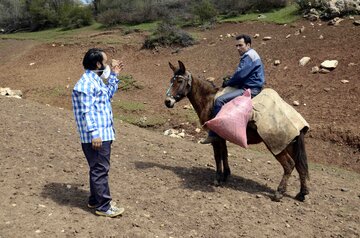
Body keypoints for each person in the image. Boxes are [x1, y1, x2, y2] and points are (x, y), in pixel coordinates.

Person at [72, 48, 124, 217]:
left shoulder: (95, 81)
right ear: (98, 64)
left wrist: (114, 75)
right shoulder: (86, 84)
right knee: (100, 169)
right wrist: (95, 133)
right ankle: (104, 207)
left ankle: (95, 199)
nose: (107, 65)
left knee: (96, 168)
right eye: (106, 62)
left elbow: (106, 97)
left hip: (103, 133)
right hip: (97, 136)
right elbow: (87, 111)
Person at [201, 34, 265, 144]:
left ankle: (215, 134)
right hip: (252, 86)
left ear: (248, 45)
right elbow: (242, 74)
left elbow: (240, 75)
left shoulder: (248, 56)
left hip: (249, 89)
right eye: (236, 46)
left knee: (219, 100)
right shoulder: (252, 54)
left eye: (240, 45)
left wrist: (228, 82)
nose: (238, 48)